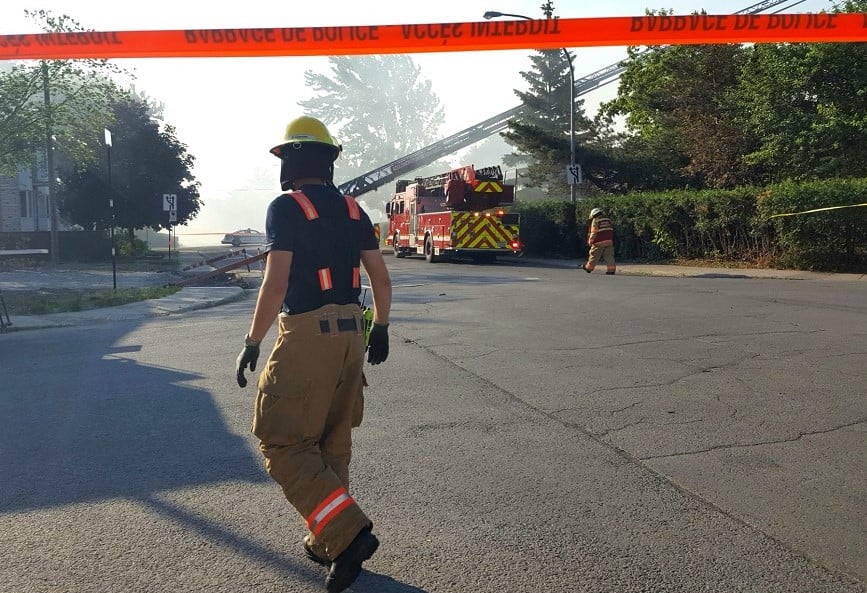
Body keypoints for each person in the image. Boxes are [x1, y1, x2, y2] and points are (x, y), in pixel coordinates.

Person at [235, 115, 392, 593]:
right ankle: (328, 542)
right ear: (328, 161)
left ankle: (348, 535)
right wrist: (380, 328)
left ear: (289, 162)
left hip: (307, 335)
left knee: (282, 443)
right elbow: (380, 279)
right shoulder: (353, 210)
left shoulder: (285, 208)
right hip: (351, 338)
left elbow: (275, 282)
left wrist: (253, 340)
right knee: (331, 444)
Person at [581, 207, 616, 275]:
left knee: (594, 255)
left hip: (599, 242)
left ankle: (588, 268)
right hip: (609, 241)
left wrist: (590, 241)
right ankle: (611, 270)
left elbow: (594, 232)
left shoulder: (596, 221)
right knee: (609, 256)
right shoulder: (608, 220)